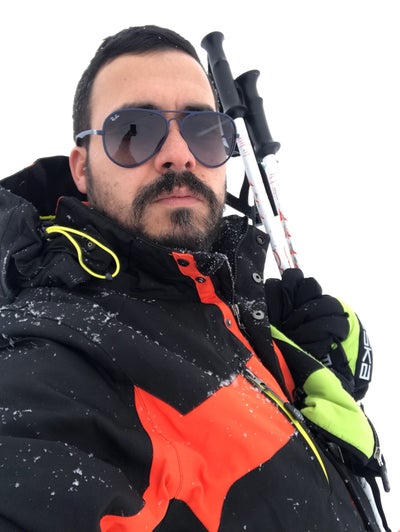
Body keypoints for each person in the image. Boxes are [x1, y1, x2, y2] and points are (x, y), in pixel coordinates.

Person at [0, 25, 390, 531]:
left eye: (204, 130)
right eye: (133, 131)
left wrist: (328, 364)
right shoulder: (53, 367)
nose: (179, 153)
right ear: (81, 168)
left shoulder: (228, 301)